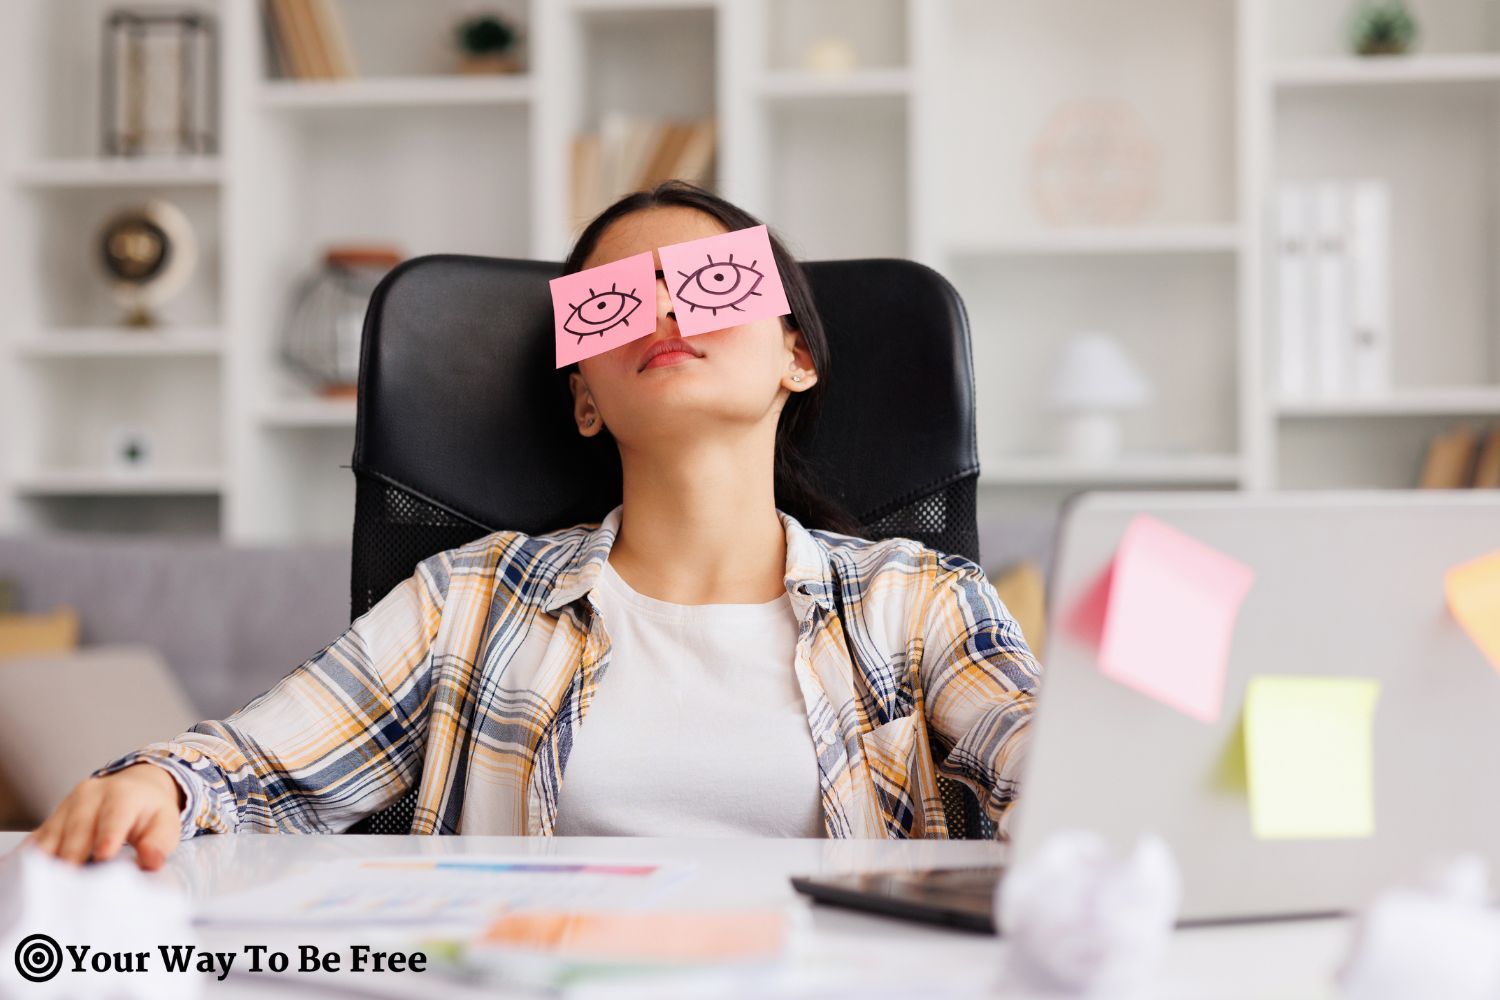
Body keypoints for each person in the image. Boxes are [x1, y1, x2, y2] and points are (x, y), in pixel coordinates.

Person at [25, 181, 1041, 870]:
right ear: (585, 398)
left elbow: (1046, 756)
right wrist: (159, 779)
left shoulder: (923, 601)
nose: (664, 315)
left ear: (796, 358)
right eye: (615, 303)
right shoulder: (467, 598)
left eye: (709, 283)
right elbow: (251, 766)